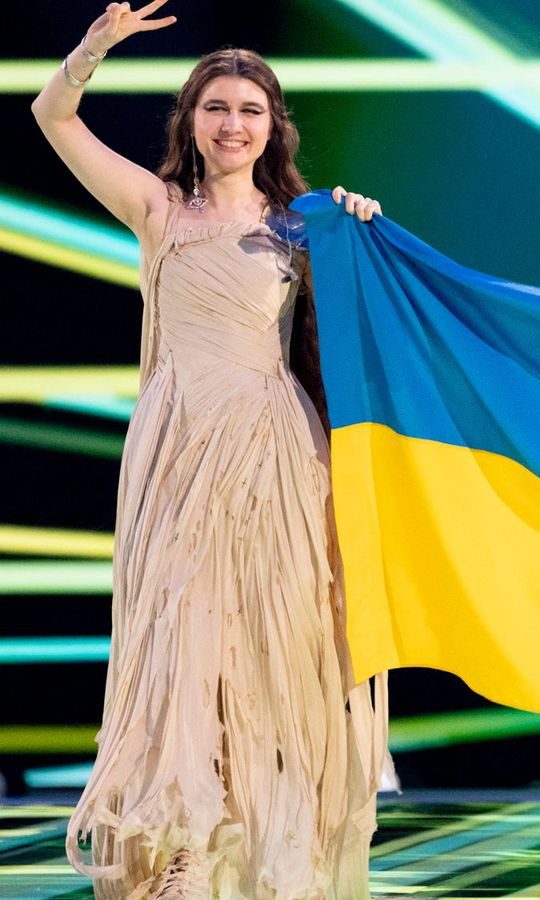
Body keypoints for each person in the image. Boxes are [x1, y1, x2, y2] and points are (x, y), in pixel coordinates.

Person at [31, 3, 389, 897]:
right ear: (191, 120)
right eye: (217, 107)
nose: (233, 124)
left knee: (267, 647)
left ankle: (260, 836)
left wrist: (361, 224)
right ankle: (184, 840)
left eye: (251, 111)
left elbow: (367, 323)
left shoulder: (305, 223)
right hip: (178, 452)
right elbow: (52, 117)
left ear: (274, 128)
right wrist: (93, 50)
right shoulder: (158, 209)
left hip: (274, 454)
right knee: (181, 641)